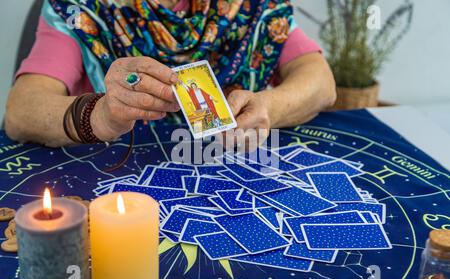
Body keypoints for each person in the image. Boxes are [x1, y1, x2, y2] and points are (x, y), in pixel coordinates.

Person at [5, 0, 336, 149]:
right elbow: (21, 112)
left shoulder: (252, 6)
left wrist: (267, 108)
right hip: (121, 184)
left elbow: (321, 83)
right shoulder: (80, 10)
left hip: (233, 169)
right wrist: (102, 116)